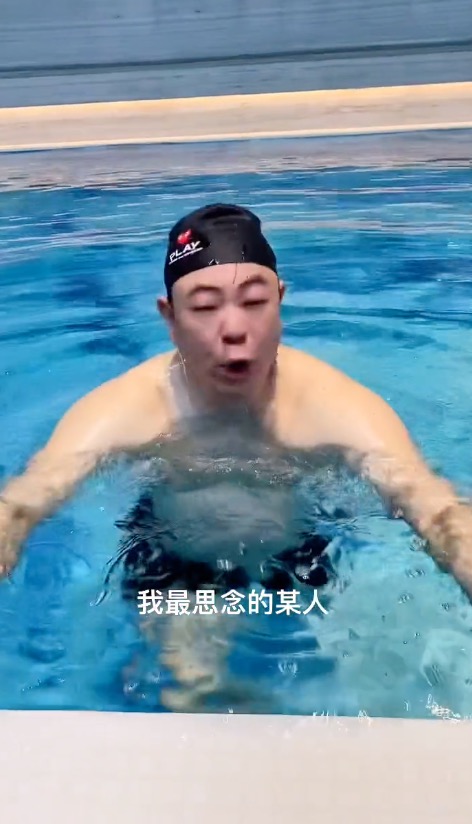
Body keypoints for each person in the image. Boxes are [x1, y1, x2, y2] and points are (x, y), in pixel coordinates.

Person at [1, 202, 472, 711]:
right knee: (193, 691)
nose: (233, 328)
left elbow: (436, 510)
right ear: (170, 318)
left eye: (254, 302)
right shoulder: (126, 410)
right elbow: (22, 505)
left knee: (392, 674)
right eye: (205, 307)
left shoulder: (336, 408)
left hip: (305, 547)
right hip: (179, 560)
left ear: (280, 301)